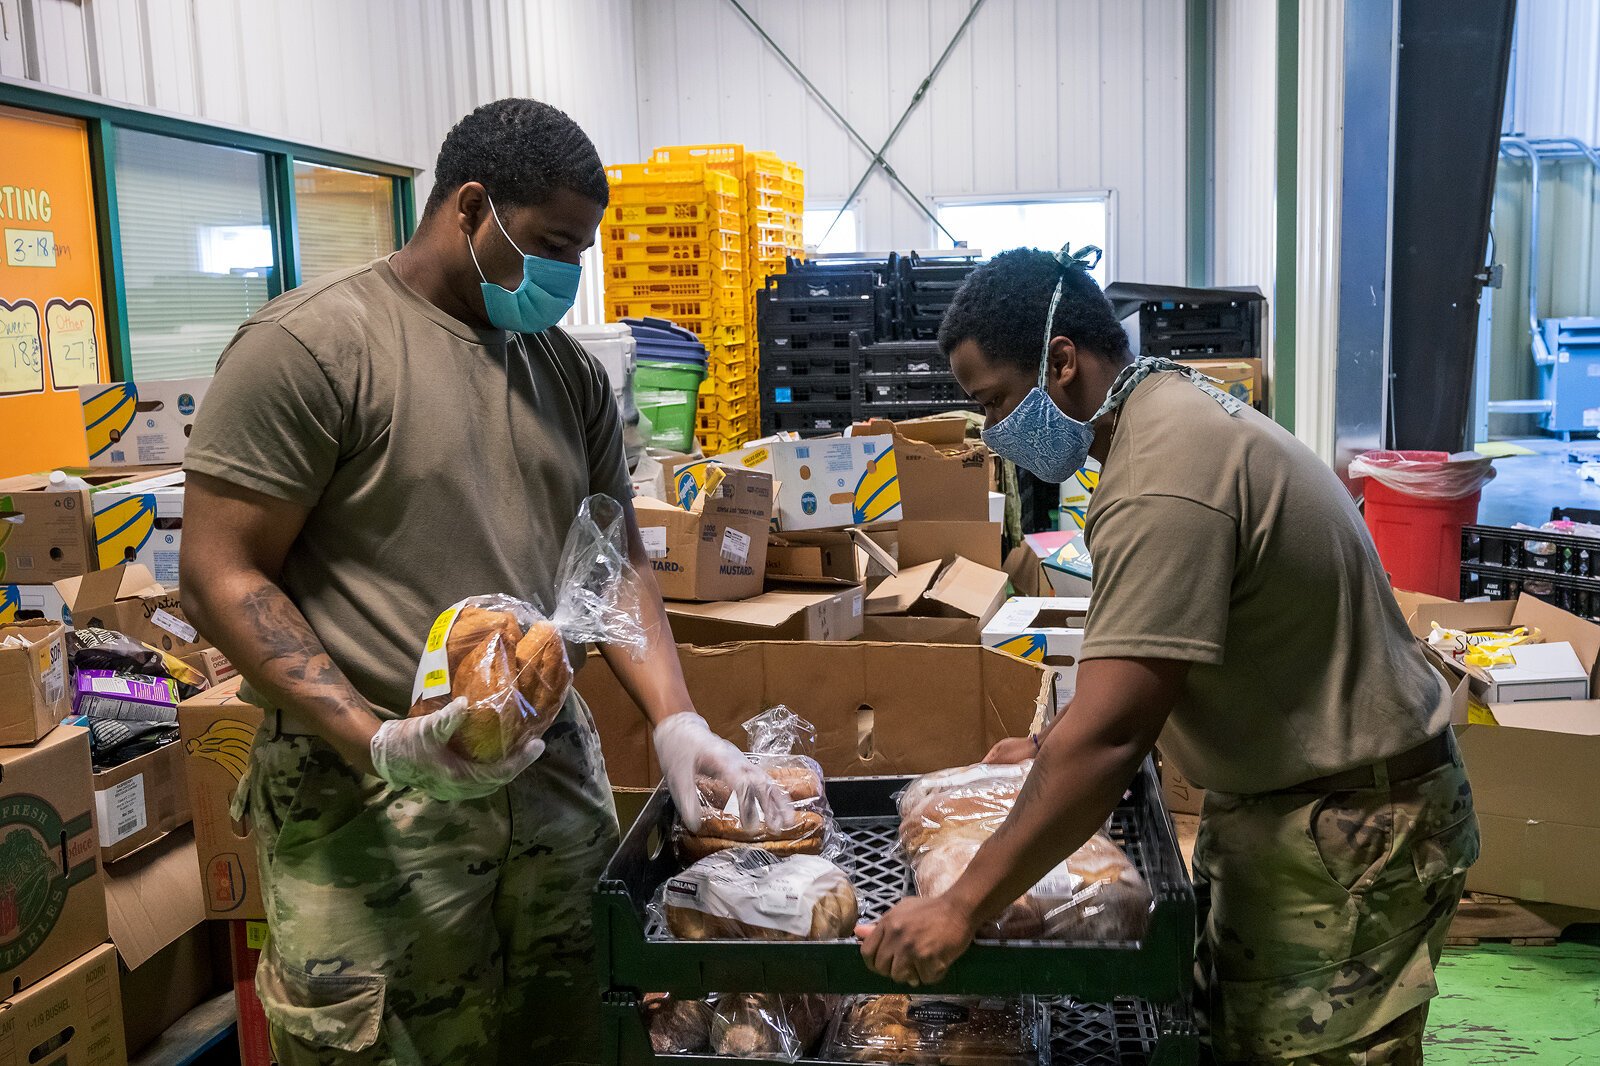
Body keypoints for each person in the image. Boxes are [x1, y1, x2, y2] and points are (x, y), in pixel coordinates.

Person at [180, 98, 790, 1066]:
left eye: (580, 251)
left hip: (545, 793)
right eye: (551, 243)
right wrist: (376, 739)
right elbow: (219, 568)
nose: (567, 275)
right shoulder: (314, 348)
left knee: (572, 1027)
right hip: (369, 813)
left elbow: (613, 560)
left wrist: (675, 719)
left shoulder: (567, 374)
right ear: (470, 207)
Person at [858, 246, 1479, 1065]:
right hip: (1289, 805)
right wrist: (1047, 747)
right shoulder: (1168, 419)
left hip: (1351, 832)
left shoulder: (1162, 476)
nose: (997, 434)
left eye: (998, 403)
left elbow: (1115, 737)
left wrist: (962, 907)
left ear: (1062, 361)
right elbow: (1152, 654)